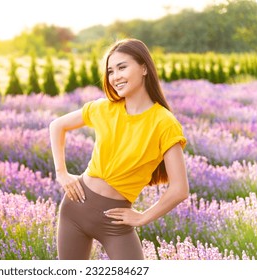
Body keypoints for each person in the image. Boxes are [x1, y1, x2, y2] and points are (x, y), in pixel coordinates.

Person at [49, 38, 189, 260]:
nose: (115, 77)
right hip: (74, 209)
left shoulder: (164, 122)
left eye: (122, 67)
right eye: (110, 71)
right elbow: (57, 125)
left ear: (144, 67)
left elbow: (180, 189)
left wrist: (143, 217)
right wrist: (62, 173)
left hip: (116, 222)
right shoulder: (104, 108)